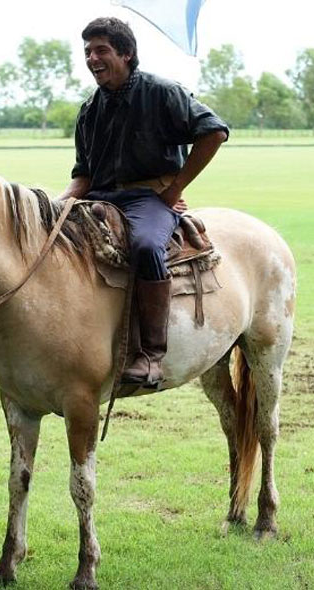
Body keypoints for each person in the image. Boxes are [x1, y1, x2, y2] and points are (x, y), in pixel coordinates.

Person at [59, 17, 229, 388]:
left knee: (147, 246)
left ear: (127, 53)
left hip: (148, 199)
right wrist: (55, 207)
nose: (92, 58)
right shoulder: (90, 110)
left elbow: (214, 132)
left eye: (101, 50)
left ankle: (151, 355)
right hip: (100, 198)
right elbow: (83, 175)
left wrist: (174, 189)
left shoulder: (162, 92)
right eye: (87, 51)